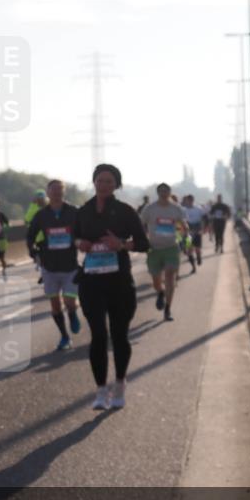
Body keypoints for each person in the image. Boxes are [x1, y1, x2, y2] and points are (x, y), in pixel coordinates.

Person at [73, 164, 150, 410]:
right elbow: (74, 236)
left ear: (116, 184)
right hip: (91, 282)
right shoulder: (83, 211)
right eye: (100, 180)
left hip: (119, 283)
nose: (104, 185)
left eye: (109, 181)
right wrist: (80, 242)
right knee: (97, 336)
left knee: (119, 336)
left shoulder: (125, 211)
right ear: (93, 182)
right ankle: (100, 390)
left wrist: (121, 245)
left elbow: (143, 243)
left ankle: (119, 383)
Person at [26, 179, 81, 351]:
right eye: (53, 190)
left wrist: (81, 241)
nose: (56, 193)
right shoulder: (41, 215)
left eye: (59, 190)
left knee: (70, 302)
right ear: (48, 193)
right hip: (49, 266)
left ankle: (72, 313)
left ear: (64, 192)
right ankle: (64, 336)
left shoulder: (74, 212)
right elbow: (30, 235)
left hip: (70, 266)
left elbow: (85, 229)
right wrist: (33, 252)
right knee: (55, 305)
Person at [139, 183, 187, 321]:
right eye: (161, 191)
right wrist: (143, 240)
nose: (164, 193)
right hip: (154, 249)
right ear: (158, 192)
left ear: (170, 192)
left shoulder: (176, 209)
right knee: (156, 280)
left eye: (166, 190)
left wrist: (183, 235)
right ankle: (160, 292)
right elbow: (141, 225)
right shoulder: (150, 209)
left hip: (171, 248)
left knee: (170, 276)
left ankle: (167, 309)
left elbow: (182, 226)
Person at [25, 189, 48, 283]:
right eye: (38, 199)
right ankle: (44, 274)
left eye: (42, 199)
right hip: (39, 239)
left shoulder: (50, 206)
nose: (40, 201)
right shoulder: (34, 207)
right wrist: (33, 205)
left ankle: (46, 274)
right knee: (42, 259)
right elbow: (27, 219)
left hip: (49, 237)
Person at [182, 194, 205, 273]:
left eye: (191, 200)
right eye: (188, 200)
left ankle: (198, 256)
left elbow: (203, 218)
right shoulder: (184, 210)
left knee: (197, 248)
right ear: (186, 201)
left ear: (193, 200)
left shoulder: (198, 209)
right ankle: (193, 267)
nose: (189, 202)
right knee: (189, 249)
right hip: (188, 231)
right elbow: (181, 221)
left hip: (197, 230)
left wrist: (202, 228)